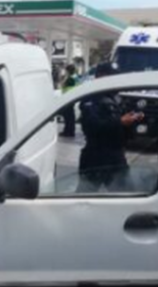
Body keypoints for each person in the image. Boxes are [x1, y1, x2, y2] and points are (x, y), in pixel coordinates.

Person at [76, 62, 144, 192]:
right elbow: (92, 126)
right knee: (84, 199)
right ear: (100, 77)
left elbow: (120, 126)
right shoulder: (90, 99)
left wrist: (132, 120)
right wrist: (120, 122)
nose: (116, 81)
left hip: (115, 156)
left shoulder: (115, 98)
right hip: (95, 157)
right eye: (112, 77)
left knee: (126, 197)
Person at [60, 64, 78, 138]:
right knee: (69, 116)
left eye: (66, 70)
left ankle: (69, 131)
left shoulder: (71, 79)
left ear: (68, 70)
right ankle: (69, 130)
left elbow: (67, 89)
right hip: (70, 99)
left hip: (68, 99)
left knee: (68, 117)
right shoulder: (74, 77)